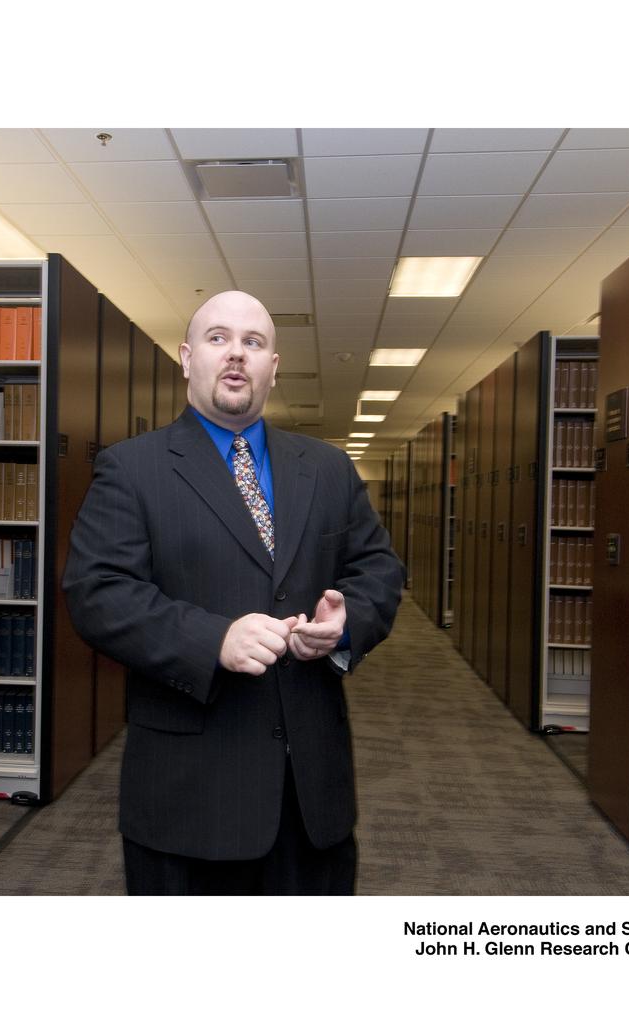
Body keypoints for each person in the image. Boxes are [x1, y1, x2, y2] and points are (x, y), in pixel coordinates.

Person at [62, 290, 403, 895]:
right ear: (188, 358)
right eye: (219, 339)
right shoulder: (132, 468)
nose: (237, 355)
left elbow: (378, 569)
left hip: (311, 798)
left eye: (254, 342)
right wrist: (213, 637)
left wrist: (346, 621)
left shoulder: (327, 468)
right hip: (190, 796)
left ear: (275, 366)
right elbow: (98, 593)